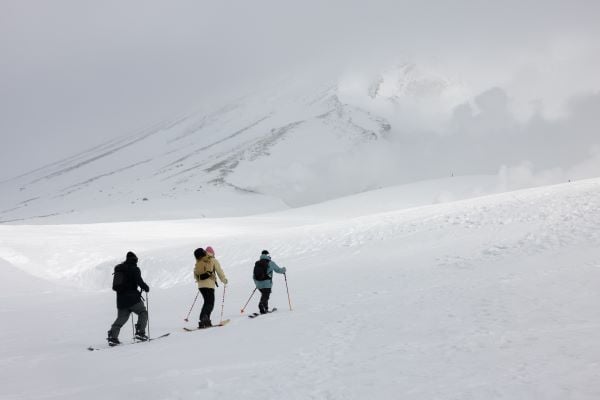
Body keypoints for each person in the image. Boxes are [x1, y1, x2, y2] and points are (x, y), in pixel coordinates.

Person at [107, 251, 150, 345]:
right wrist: (146, 287)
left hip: (121, 301)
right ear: (135, 260)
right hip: (133, 299)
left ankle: (112, 337)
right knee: (143, 312)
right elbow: (140, 282)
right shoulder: (134, 269)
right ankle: (140, 333)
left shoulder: (119, 269)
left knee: (121, 318)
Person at [194, 246, 228, 328]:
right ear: (213, 253)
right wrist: (224, 280)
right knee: (210, 303)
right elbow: (219, 271)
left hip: (200, 285)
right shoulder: (213, 260)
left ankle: (204, 320)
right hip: (209, 285)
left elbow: (195, 273)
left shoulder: (199, 260)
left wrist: (200, 281)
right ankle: (204, 319)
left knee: (206, 302)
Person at [253, 250, 286, 314]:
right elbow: (278, 270)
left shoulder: (257, 263)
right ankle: (261, 305)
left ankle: (265, 309)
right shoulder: (270, 263)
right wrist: (284, 269)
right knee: (266, 296)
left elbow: (254, 276)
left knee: (264, 295)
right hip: (267, 284)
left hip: (258, 285)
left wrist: (257, 284)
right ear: (268, 255)